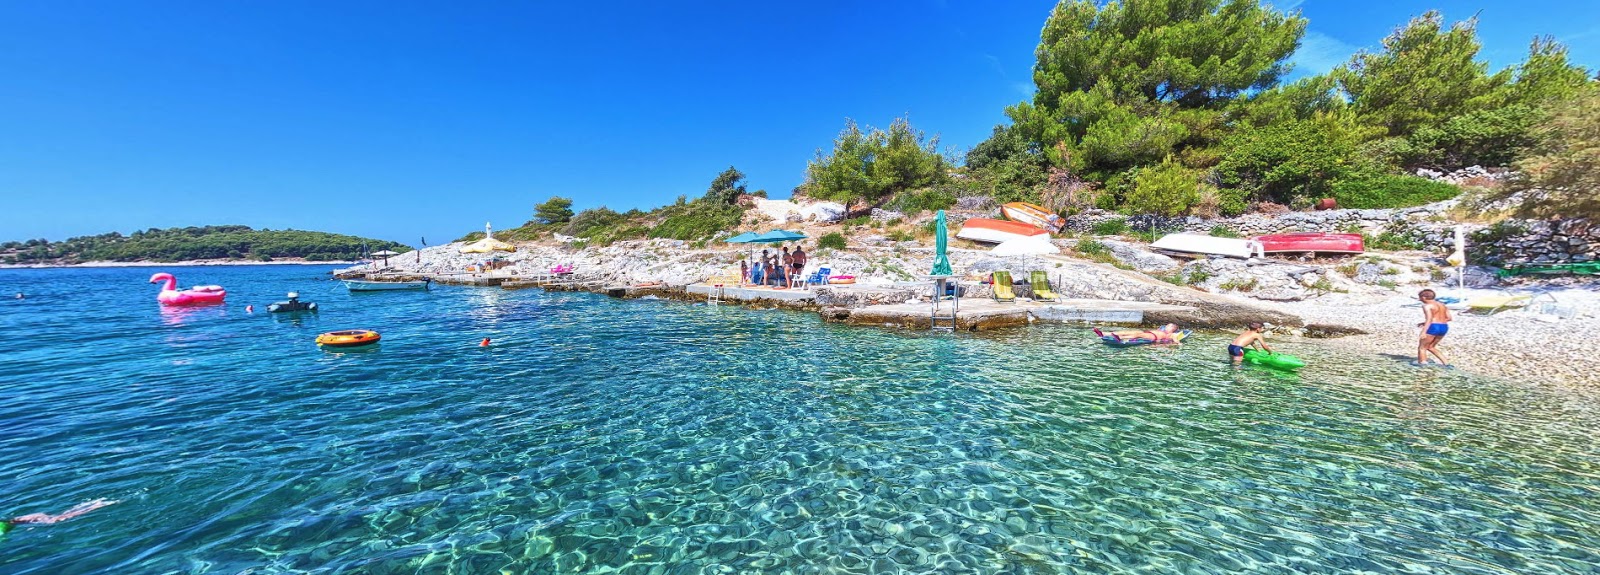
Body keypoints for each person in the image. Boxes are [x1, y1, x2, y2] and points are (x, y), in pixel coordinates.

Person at [3, 499, 118, 537]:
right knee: (64, 515)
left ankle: (96, 505)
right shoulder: (8, 522)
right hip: (32, 518)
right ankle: (90, 504)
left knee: (63, 517)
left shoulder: (5, 525)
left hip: (35, 519)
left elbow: (3, 533)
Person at [1415, 288, 1452, 367]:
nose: (1420, 299)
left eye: (1420, 297)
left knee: (1422, 348)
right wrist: (1425, 323)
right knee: (1431, 347)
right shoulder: (1442, 305)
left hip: (1433, 327)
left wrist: (1423, 331)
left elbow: (1429, 319)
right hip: (1444, 327)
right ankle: (1447, 364)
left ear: (1424, 297)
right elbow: (1449, 318)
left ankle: (1422, 366)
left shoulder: (1427, 306)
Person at [1095, 323, 1181, 343]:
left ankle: (1120, 338)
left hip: (1153, 336)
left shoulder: (1172, 334)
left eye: (1169, 326)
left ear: (1173, 329)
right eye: (1167, 325)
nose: (1167, 326)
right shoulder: (1161, 330)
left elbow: (1176, 340)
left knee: (1137, 335)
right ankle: (1104, 333)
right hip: (1148, 333)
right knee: (1127, 332)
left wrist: (1178, 343)